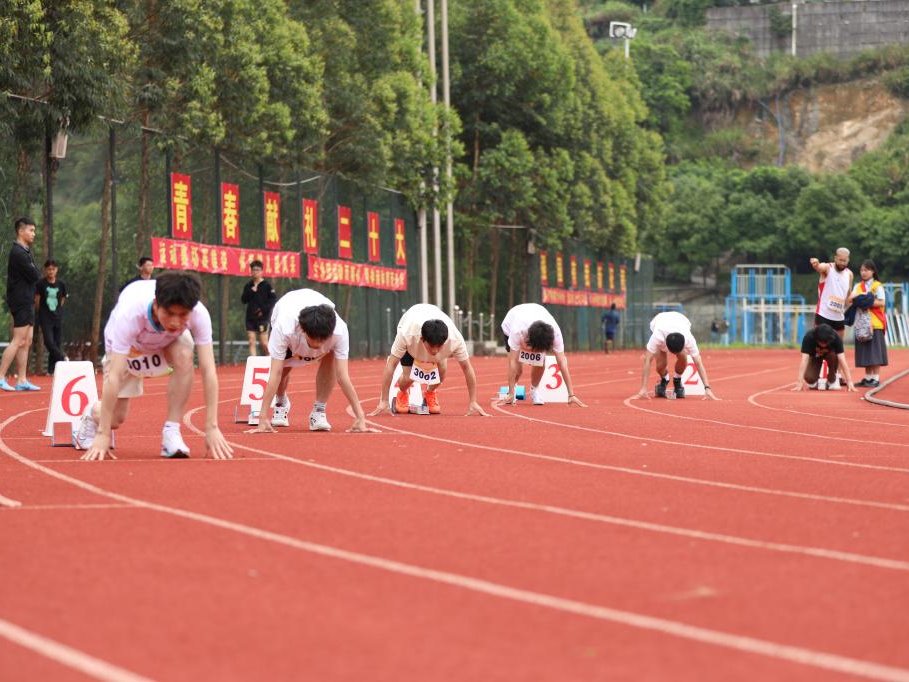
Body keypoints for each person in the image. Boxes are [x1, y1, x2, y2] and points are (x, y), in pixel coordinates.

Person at [71, 271, 233, 461]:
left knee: (184, 353)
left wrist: (211, 427)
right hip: (130, 349)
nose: (175, 321)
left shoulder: (199, 314)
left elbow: (208, 369)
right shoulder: (129, 315)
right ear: (156, 304)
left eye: (183, 315)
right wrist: (103, 433)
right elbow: (113, 376)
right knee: (116, 419)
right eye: (170, 313)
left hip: (166, 344)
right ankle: (91, 415)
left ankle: (171, 432)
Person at [252, 288, 371, 434]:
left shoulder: (339, 332)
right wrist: (263, 417)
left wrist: (360, 417)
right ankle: (281, 401)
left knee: (330, 356)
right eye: (313, 339)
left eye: (323, 339)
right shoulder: (284, 327)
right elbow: (274, 373)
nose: (318, 345)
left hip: (313, 320)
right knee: (282, 371)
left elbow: (343, 376)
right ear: (303, 329)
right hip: (287, 312)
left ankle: (319, 411)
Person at [369, 303, 489, 416]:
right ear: (422, 339)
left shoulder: (455, 339)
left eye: (439, 346)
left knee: (441, 372)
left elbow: (467, 368)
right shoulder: (406, 334)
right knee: (408, 378)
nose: (435, 351)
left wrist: (473, 401)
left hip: (433, 332)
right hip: (411, 343)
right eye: (431, 346)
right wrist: (384, 400)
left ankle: (430, 393)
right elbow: (391, 365)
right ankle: (402, 393)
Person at [497, 302, 586, 407]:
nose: (535, 352)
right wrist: (511, 392)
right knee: (518, 369)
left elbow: (562, 362)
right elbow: (512, 362)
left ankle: (534, 390)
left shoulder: (555, 333)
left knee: (540, 361)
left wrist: (571, 394)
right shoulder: (517, 330)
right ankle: (512, 391)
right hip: (510, 324)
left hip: (535, 322)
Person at [632, 311, 719, 400]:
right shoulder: (658, 335)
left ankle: (677, 380)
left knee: (683, 358)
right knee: (660, 366)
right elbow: (647, 360)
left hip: (681, 320)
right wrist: (643, 389)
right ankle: (664, 379)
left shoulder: (688, 338)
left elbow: (698, 363)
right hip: (660, 320)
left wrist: (707, 389)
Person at [0, 217, 41, 391]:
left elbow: (35, 273)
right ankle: (1, 376)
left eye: (34, 230)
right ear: (20, 231)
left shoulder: (25, 251)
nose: (34, 234)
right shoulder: (17, 252)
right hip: (20, 300)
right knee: (18, 340)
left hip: (28, 299)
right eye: (30, 230)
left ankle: (22, 379)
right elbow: (35, 275)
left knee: (27, 340)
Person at [848, 259, 888, 388]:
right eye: (862, 270)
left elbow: (882, 302)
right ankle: (868, 378)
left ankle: (875, 378)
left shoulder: (877, 286)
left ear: (873, 271)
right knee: (865, 351)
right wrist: (865, 299)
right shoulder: (857, 286)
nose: (863, 273)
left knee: (874, 352)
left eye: (866, 270)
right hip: (861, 324)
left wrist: (863, 301)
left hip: (875, 323)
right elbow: (850, 300)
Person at [792, 322, 856, 392]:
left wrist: (849, 381)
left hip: (831, 356)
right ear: (816, 339)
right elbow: (804, 360)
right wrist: (799, 381)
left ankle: (832, 378)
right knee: (809, 378)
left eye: (826, 342)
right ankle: (815, 380)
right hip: (815, 357)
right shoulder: (809, 337)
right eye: (821, 342)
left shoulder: (836, 338)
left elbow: (842, 360)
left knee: (834, 356)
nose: (823, 345)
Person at [810, 248, 853, 340]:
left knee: (838, 348)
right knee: (819, 346)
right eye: (840, 260)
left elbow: (848, 296)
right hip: (823, 314)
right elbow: (820, 267)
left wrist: (852, 308)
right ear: (835, 258)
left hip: (839, 317)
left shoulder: (849, 274)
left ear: (848, 260)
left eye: (844, 261)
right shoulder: (828, 268)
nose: (842, 263)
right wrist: (816, 264)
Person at [35, 259, 68, 375]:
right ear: (45, 270)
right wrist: (42, 313)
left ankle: (51, 369)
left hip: (57, 317)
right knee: (49, 342)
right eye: (49, 269)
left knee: (57, 343)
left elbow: (63, 298)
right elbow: (37, 301)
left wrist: (58, 310)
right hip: (45, 317)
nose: (51, 271)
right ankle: (63, 358)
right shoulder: (40, 284)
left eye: (53, 269)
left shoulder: (61, 284)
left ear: (56, 270)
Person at [240, 260, 276, 356]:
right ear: (251, 271)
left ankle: (271, 361)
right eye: (253, 270)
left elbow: (273, 300)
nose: (255, 272)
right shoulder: (248, 285)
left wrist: (263, 310)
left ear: (261, 271)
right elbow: (243, 300)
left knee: (264, 343)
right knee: (251, 341)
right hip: (250, 318)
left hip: (263, 318)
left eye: (257, 269)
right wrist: (251, 291)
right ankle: (254, 364)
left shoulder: (267, 286)